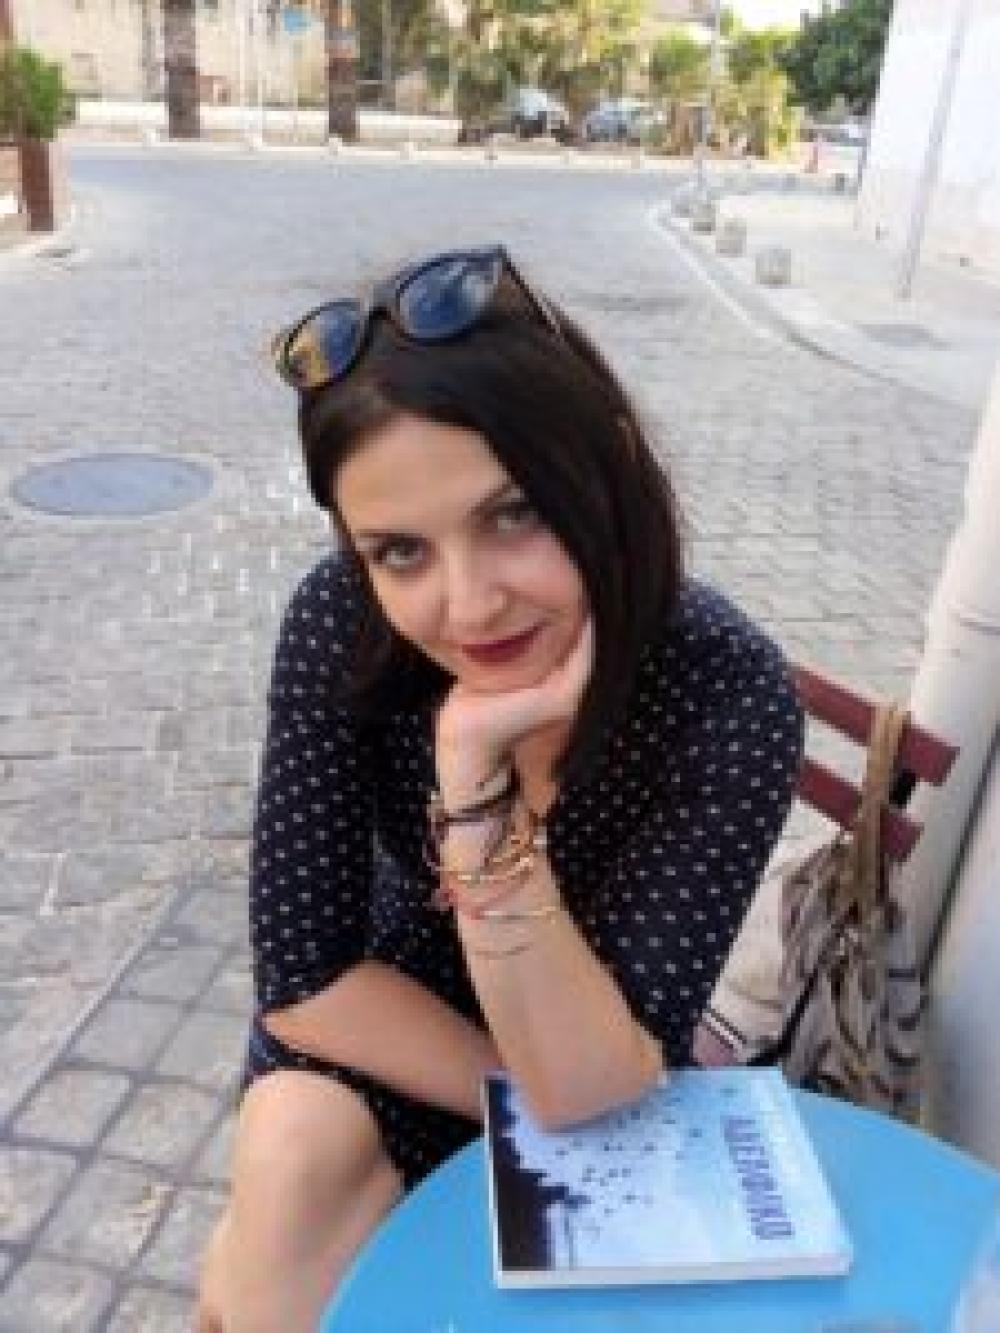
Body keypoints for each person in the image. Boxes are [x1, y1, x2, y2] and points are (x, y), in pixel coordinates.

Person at [196, 245, 804, 1332]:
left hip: (591, 1034)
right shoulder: (343, 621)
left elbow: (596, 1078)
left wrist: (475, 798)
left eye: (513, 512)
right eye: (400, 552)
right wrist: (528, 1095)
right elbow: (305, 976)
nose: (469, 605)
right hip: (395, 1018)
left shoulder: (725, 692)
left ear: (606, 472)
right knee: (289, 1154)